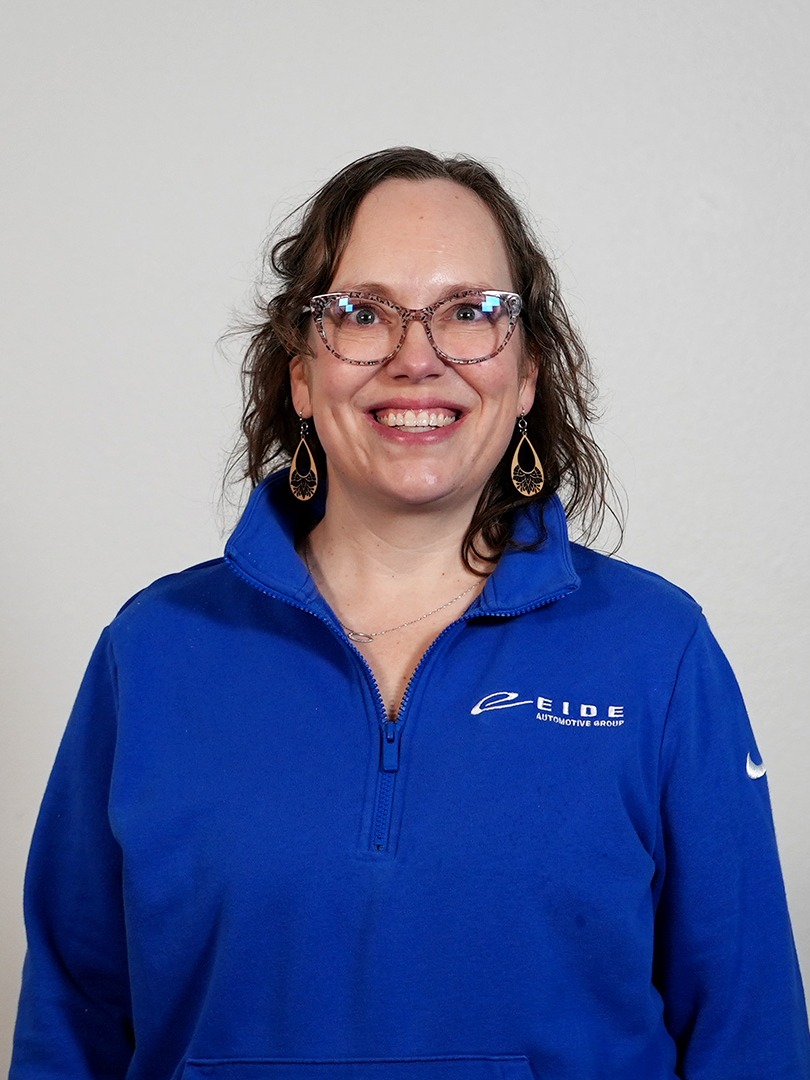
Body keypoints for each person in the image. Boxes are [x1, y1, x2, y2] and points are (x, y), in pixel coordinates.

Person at [10, 147, 810, 1080]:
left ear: (527, 376)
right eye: (362, 313)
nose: (416, 358)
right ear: (301, 374)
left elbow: (749, 1035)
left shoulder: (657, 653)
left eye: (471, 313)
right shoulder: (150, 655)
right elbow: (71, 1025)